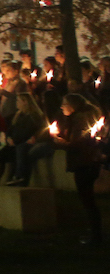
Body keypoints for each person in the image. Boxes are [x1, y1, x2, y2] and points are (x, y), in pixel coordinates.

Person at [51, 93, 104, 245]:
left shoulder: (80, 119)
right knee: (88, 199)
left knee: (87, 200)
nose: (61, 107)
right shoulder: (81, 118)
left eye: (64, 104)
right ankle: (94, 231)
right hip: (88, 162)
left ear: (72, 106)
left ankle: (96, 235)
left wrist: (61, 143)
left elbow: (79, 143)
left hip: (84, 163)